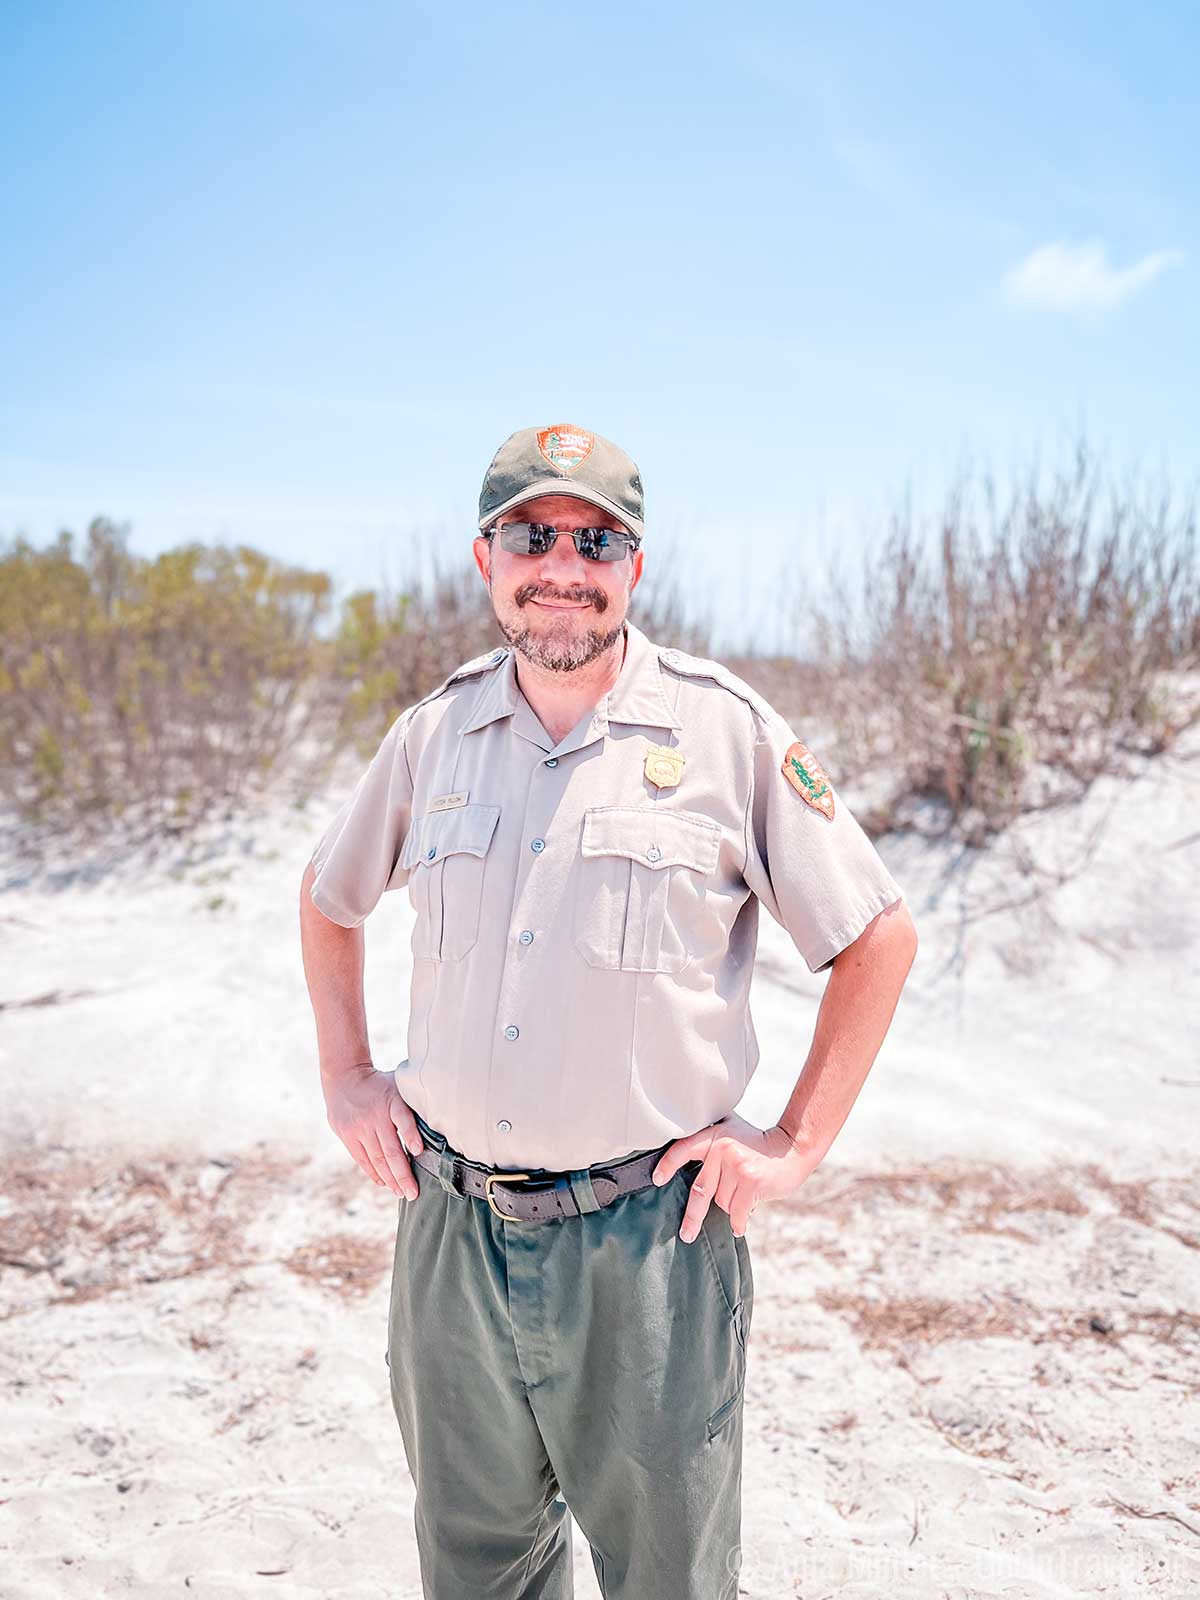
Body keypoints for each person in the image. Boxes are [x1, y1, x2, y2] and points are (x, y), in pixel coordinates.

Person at [298, 422, 918, 1600]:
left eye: (598, 538)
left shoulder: (725, 728)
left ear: (635, 564)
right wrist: (346, 1076)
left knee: (668, 1578)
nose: (564, 563)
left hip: (650, 1246)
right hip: (452, 1238)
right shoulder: (434, 733)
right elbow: (328, 899)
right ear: (486, 557)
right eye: (534, 534)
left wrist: (791, 1144)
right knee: (477, 1569)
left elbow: (878, 936)